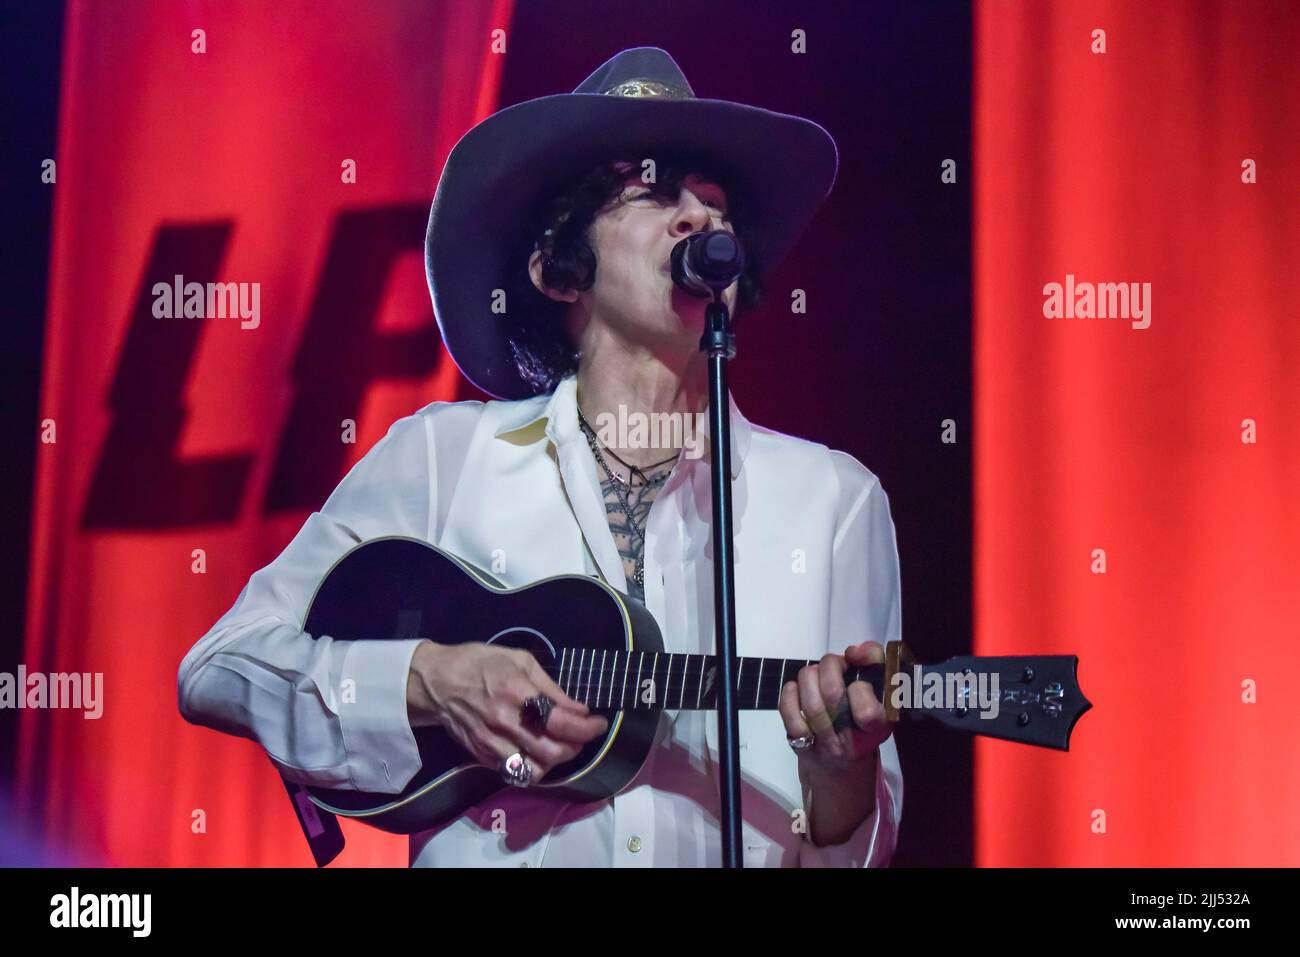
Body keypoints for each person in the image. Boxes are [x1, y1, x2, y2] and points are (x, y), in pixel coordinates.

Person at [178, 46, 903, 867]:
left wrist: (840, 777)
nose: (701, 218)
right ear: (561, 272)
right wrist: (433, 678)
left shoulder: (833, 502)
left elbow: (854, 845)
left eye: (717, 203)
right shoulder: (443, 458)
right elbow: (222, 662)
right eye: (656, 193)